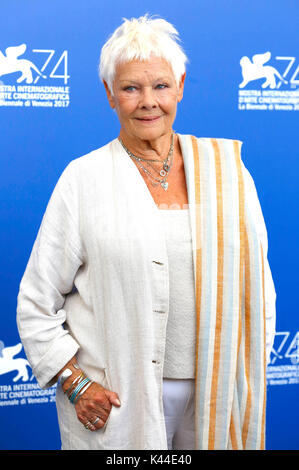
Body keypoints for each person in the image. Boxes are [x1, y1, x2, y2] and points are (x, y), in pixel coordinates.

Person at [16, 14, 276, 450]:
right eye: (131, 88)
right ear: (109, 94)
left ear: (180, 86)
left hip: (217, 393)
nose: (147, 101)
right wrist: (76, 382)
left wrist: (246, 366)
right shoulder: (84, 179)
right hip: (121, 398)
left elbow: (258, 288)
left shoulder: (227, 172)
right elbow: (36, 304)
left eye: (160, 86)